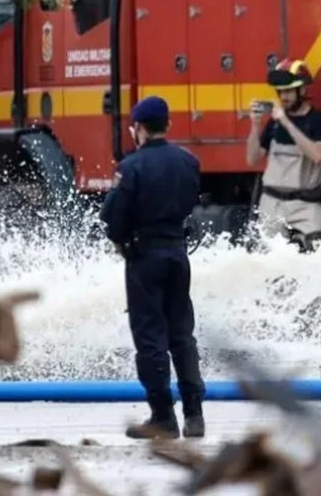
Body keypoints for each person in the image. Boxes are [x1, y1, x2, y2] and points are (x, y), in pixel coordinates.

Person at [98, 96, 206, 440]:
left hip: (144, 258)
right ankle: (195, 414)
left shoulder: (131, 167)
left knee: (151, 339)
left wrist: (122, 240)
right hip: (178, 253)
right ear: (168, 125)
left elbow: (113, 219)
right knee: (182, 335)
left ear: (138, 129)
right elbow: (191, 202)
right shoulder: (188, 161)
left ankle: (162, 417)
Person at [245, 58, 321, 252]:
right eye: (280, 91)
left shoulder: (318, 121)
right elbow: (252, 158)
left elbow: (318, 155)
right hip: (272, 203)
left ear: (302, 90)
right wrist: (255, 125)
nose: (283, 97)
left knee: (314, 258)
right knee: (269, 264)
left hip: (306, 205)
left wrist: (287, 123)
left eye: (288, 91)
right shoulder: (274, 123)